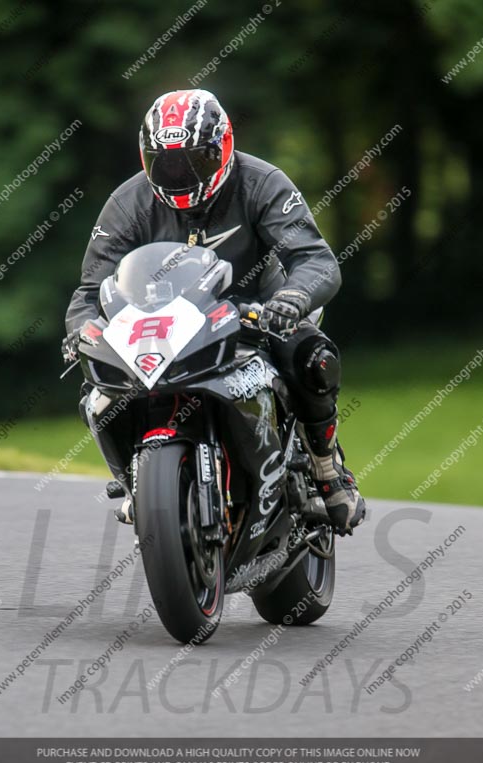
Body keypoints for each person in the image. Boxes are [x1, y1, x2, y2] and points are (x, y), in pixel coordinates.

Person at [63, 89, 365, 533]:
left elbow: (316, 260)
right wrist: (81, 329)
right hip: (160, 326)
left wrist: (292, 299)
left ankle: (325, 467)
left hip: (257, 313)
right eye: (165, 163)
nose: (179, 174)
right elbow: (90, 288)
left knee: (311, 357)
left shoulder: (262, 182)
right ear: (147, 159)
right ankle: (134, 482)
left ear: (222, 148)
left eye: (193, 162)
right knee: (100, 391)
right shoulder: (127, 203)